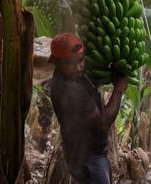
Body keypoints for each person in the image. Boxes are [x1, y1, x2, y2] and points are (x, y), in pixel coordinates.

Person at [49, 33, 128, 184]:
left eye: (81, 60)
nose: (79, 67)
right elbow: (102, 123)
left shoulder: (72, 75)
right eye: (70, 63)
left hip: (91, 155)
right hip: (87, 160)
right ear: (56, 62)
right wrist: (118, 89)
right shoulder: (69, 90)